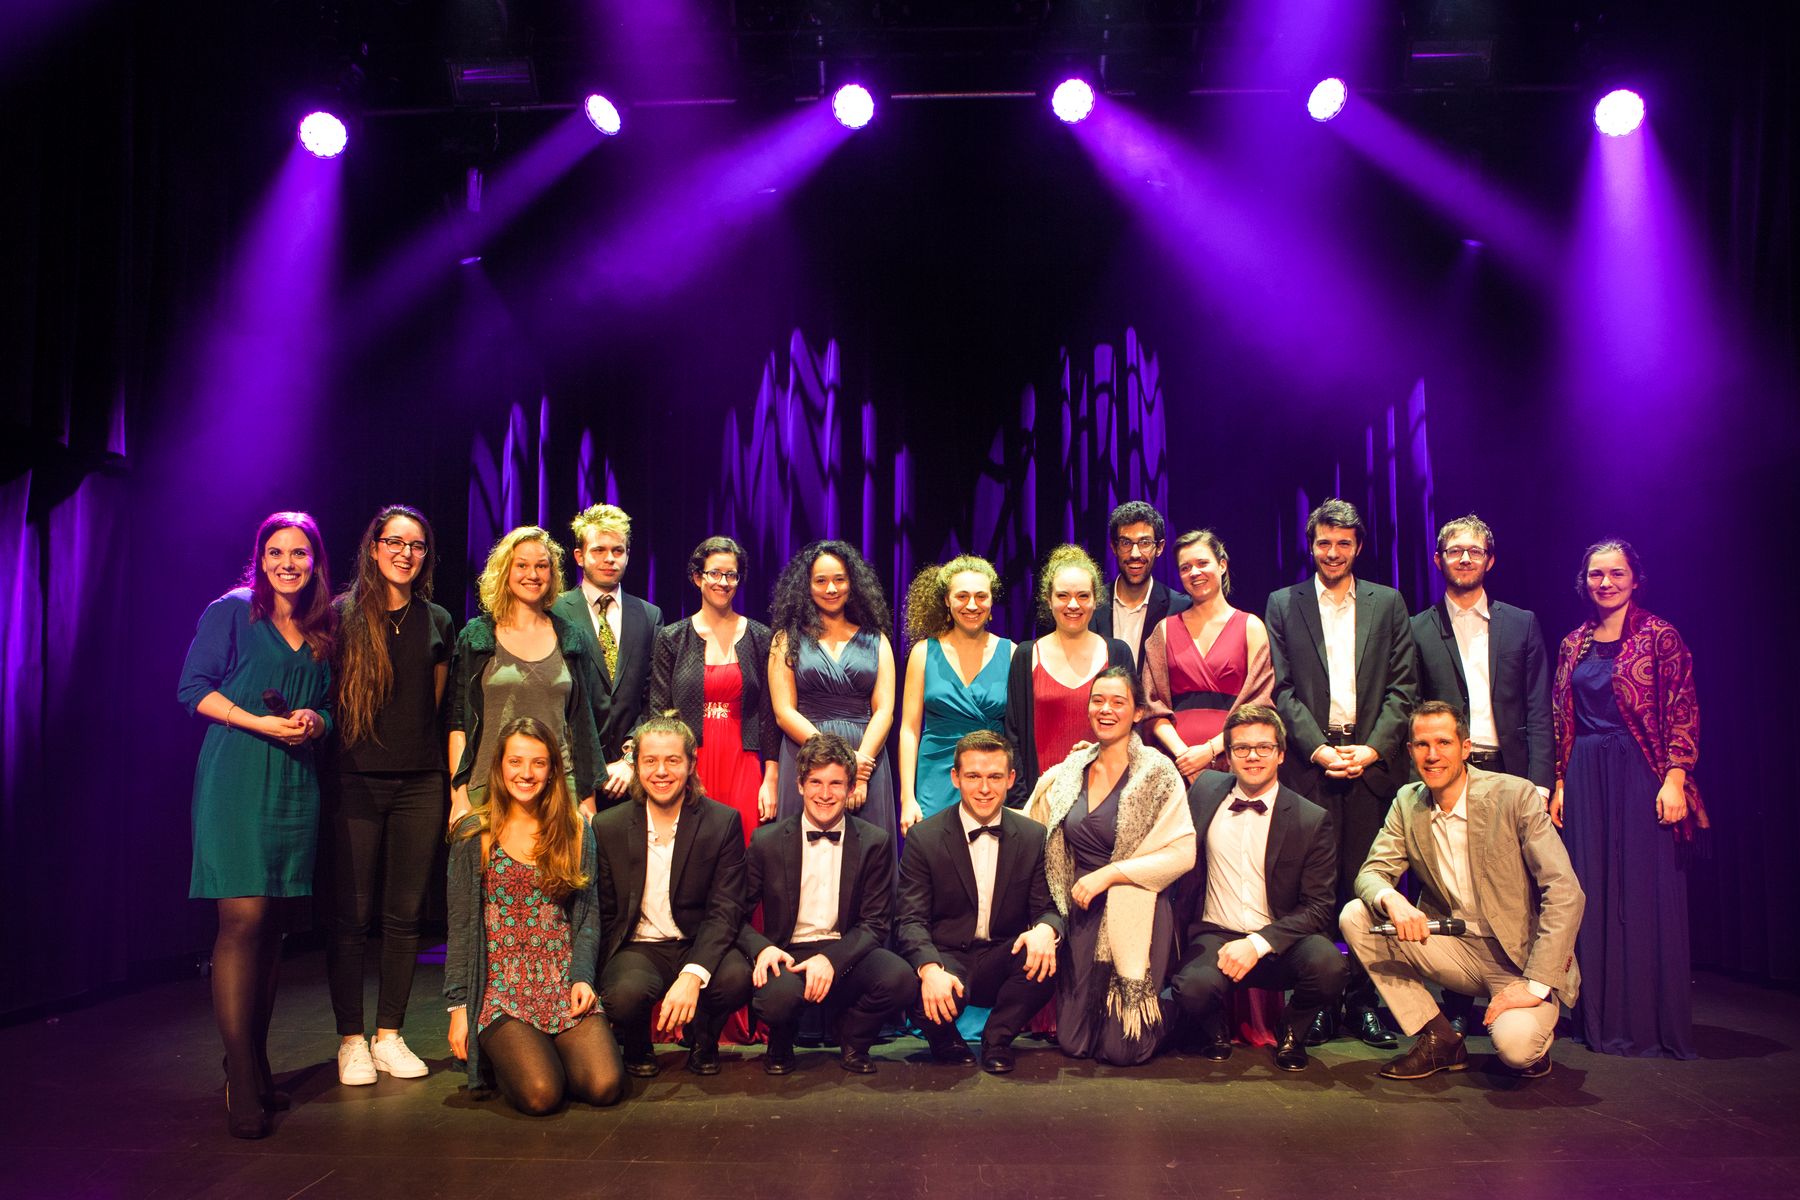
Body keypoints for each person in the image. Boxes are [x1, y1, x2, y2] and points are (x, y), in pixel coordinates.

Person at [177, 512, 335, 1138]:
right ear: (260, 559)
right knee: (242, 920)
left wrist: (313, 722)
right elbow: (194, 690)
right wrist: (258, 722)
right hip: (237, 777)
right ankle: (240, 1075)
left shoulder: (323, 628)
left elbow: (328, 706)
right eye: (275, 552)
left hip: (294, 784)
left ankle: (255, 1060)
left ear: (315, 562)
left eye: (299, 553)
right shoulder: (232, 611)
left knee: (272, 928)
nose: (286, 564)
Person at [1341, 702, 1584, 1081]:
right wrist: (1392, 899)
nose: (1432, 755)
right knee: (1357, 914)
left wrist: (1536, 984)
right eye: (1422, 745)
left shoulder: (1514, 795)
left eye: (1443, 743)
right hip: (1451, 948)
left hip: (1518, 959)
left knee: (1517, 1050)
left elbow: (1565, 891)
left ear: (1466, 747)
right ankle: (1440, 1039)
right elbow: (1372, 873)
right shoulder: (1407, 801)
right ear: (1411, 751)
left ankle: (1535, 1033)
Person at [1264, 497, 1417, 1048]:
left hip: (1371, 768)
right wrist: (1320, 750)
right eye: (1324, 543)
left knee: (1370, 886)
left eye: (1343, 544)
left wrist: (1371, 750)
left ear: (1359, 547)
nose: (1333, 552)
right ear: (1311, 545)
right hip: (1312, 768)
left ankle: (1365, 1000)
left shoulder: (1388, 602)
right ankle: (1320, 1001)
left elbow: (1403, 687)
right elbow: (1281, 688)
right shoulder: (1284, 603)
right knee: (1316, 891)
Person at [1552, 539, 1707, 1059]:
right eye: (1596, 574)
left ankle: (1647, 1023)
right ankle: (1597, 1021)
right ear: (1585, 581)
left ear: (1634, 579)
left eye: (1616, 573)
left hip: (1642, 771)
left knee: (1644, 890)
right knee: (1591, 890)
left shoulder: (1660, 635)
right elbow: (1562, 719)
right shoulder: (1573, 643)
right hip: (1585, 773)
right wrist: (1561, 782)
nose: (1606, 583)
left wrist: (1676, 777)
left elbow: (1682, 708)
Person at [326, 505, 456, 1087]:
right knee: (352, 917)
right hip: (355, 781)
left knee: (405, 916)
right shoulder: (341, 616)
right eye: (395, 542)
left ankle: (389, 1035)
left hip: (420, 783)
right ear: (374, 547)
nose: (406, 553)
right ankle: (351, 1040)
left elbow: (438, 706)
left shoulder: (437, 620)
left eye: (417, 545)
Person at [444, 718, 624, 1114]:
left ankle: (546, 1053)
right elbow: (460, 927)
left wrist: (582, 977)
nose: (526, 773)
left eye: (538, 763)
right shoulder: (475, 833)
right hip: (501, 991)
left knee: (605, 1085)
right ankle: (506, 1056)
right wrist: (458, 1008)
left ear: (553, 770)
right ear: (499, 765)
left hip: (560, 982)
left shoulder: (575, 830)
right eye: (516, 762)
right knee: (542, 1094)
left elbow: (588, 917)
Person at [1029, 667, 1196, 1066]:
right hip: (1081, 909)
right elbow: (1036, 826)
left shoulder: (1157, 772)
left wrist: (1110, 875)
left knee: (1124, 1050)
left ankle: (1179, 1016)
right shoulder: (1071, 771)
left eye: (1118, 702)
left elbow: (1182, 853)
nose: (1106, 710)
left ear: (1137, 713)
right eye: (1098, 701)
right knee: (1073, 1043)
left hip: (1136, 906)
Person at [1168, 704, 1345, 1072]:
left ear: (1281, 754)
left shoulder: (1311, 819)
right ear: (1229, 756)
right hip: (1216, 933)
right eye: (1242, 748)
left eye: (1264, 747)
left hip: (1281, 938)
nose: (1252, 756)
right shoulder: (1204, 790)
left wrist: (1258, 943)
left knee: (1330, 967)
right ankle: (1215, 1029)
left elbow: (1318, 907)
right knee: (1191, 988)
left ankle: (1291, 1030)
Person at [740, 733, 917, 1074]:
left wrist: (831, 960)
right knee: (775, 1000)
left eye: (836, 783)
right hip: (788, 953)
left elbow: (875, 923)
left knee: (901, 980)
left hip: (846, 950)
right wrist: (762, 949)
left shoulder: (874, 841)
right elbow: (736, 914)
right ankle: (781, 1039)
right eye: (816, 782)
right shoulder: (766, 841)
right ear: (800, 785)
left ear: (850, 789)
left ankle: (854, 1038)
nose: (825, 794)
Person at [592, 715, 753, 1076]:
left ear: (691, 764)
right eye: (650, 761)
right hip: (639, 946)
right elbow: (605, 911)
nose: (661, 771)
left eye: (673, 760)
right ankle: (636, 1043)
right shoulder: (608, 825)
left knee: (735, 979)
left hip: (695, 940)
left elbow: (726, 909)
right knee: (624, 994)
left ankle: (703, 1038)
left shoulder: (722, 821)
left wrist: (693, 974)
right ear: (636, 766)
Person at [898, 730, 1063, 1074]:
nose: (984, 788)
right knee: (908, 981)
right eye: (973, 776)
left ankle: (997, 1039)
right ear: (955, 778)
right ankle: (946, 1041)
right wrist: (930, 969)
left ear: (1011, 779)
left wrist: (1046, 929)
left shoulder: (1032, 835)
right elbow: (910, 920)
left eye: (994, 777)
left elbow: (1045, 908)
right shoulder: (924, 838)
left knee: (1046, 955)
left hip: (1000, 955)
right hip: (946, 957)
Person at [446, 526, 603, 827]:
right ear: (505, 571)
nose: (533, 574)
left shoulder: (571, 639)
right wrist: (459, 796)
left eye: (541, 566)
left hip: (559, 788)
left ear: (552, 574)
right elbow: (458, 724)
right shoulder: (477, 637)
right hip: (487, 787)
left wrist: (586, 797)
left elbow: (583, 724)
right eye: (522, 565)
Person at [1410, 514, 1553, 791]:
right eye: (1455, 551)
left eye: (1475, 551)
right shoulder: (1417, 629)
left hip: (1512, 771)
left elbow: (1539, 711)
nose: (1465, 559)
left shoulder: (1521, 624)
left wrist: (1540, 784)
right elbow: (1413, 711)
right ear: (1438, 560)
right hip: (1446, 771)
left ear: (1490, 561)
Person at [649, 536, 779, 837]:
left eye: (731, 575)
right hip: (688, 761)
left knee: (743, 842)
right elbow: (658, 711)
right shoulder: (672, 638)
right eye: (715, 573)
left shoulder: (761, 637)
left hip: (744, 759)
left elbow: (768, 715)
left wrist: (771, 776)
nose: (723, 582)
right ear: (698, 578)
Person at [768, 540, 898, 843]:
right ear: (806, 586)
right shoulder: (786, 640)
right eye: (821, 581)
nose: (831, 588)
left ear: (852, 583)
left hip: (867, 755)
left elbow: (885, 710)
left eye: (839, 579)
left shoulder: (877, 640)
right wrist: (841, 759)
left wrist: (860, 769)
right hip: (806, 752)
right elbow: (784, 712)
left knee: (868, 849)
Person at [550, 504, 662, 809]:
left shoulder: (649, 616)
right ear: (579, 556)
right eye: (599, 550)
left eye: (618, 550)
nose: (609, 558)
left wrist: (630, 758)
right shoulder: (555, 611)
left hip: (631, 777)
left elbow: (654, 696)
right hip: (568, 773)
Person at [1004, 544, 1135, 806]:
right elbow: (1013, 736)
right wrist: (1021, 805)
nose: (1073, 604)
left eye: (1083, 596)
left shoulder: (1118, 652)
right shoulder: (1026, 655)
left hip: (1106, 799)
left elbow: (1133, 728)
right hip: (1041, 802)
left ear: (1096, 600)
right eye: (1063, 596)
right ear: (1048, 599)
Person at [1140, 530, 1275, 783]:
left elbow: (1259, 703)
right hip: (1174, 764)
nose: (1194, 572)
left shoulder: (1251, 627)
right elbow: (1152, 706)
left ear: (1222, 565)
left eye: (1202, 563)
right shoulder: (1164, 630)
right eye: (1185, 567)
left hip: (1234, 759)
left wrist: (1210, 750)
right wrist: (1184, 757)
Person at [899, 555, 1012, 832]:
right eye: (962, 596)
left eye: (981, 596)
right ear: (947, 601)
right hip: (935, 778)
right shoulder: (923, 653)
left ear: (991, 601)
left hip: (989, 778)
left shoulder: (1012, 653)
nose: (972, 605)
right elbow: (909, 730)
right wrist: (907, 798)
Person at [1090, 500, 1191, 668]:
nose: (1135, 554)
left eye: (1145, 543)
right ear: (1114, 547)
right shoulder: (1091, 603)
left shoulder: (1180, 608)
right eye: (1126, 543)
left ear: (1160, 547)